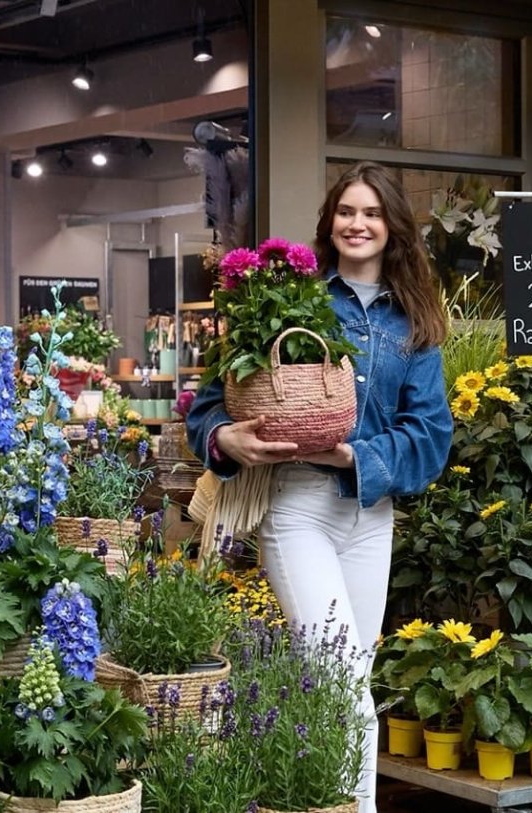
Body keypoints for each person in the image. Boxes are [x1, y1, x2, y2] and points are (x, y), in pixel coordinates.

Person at [187, 161, 453, 813]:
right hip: (298, 508)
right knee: (338, 680)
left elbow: (431, 435)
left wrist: (354, 454)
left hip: (370, 512)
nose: (357, 223)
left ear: (393, 226)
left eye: (371, 212)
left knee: (349, 679)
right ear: (329, 222)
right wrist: (229, 440)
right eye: (346, 211)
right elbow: (207, 405)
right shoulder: (294, 301)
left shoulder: (413, 321)